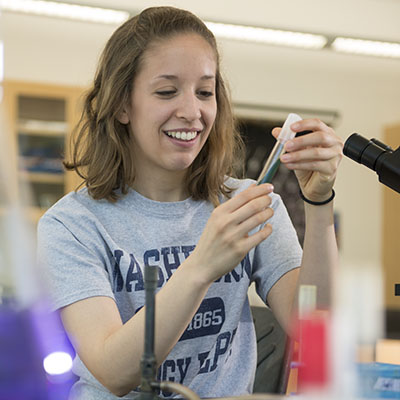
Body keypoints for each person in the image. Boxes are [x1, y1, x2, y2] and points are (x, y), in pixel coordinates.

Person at [37, 6, 343, 400]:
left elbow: (315, 327)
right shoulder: (71, 225)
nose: (191, 112)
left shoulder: (247, 204)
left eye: (204, 92)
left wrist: (319, 205)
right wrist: (202, 265)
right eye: (167, 91)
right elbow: (114, 372)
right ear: (121, 105)